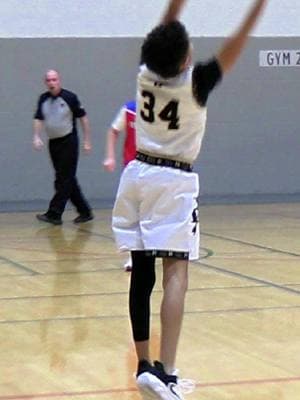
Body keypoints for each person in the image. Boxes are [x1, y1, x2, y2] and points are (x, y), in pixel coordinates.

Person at [112, 0, 267, 399]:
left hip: (137, 175)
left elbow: (162, 32)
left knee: (142, 271)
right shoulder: (194, 83)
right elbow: (236, 44)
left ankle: (145, 364)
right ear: (185, 60)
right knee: (176, 271)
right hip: (173, 180)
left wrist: (176, 6)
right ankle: (167, 371)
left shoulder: (145, 74)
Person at [33, 69, 94, 225]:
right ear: (45, 82)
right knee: (67, 179)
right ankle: (85, 211)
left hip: (69, 141)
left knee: (63, 180)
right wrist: (36, 136)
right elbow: (39, 118)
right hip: (53, 143)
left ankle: (54, 213)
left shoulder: (70, 97)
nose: (52, 83)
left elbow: (83, 119)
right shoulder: (43, 99)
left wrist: (87, 141)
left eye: (54, 80)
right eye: (49, 80)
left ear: (59, 80)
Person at [103, 100, 136, 271]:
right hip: (131, 167)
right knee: (132, 213)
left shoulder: (162, 109)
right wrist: (110, 156)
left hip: (155, 170)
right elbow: (113, 130)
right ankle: (132, 256)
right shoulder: (130, 109)